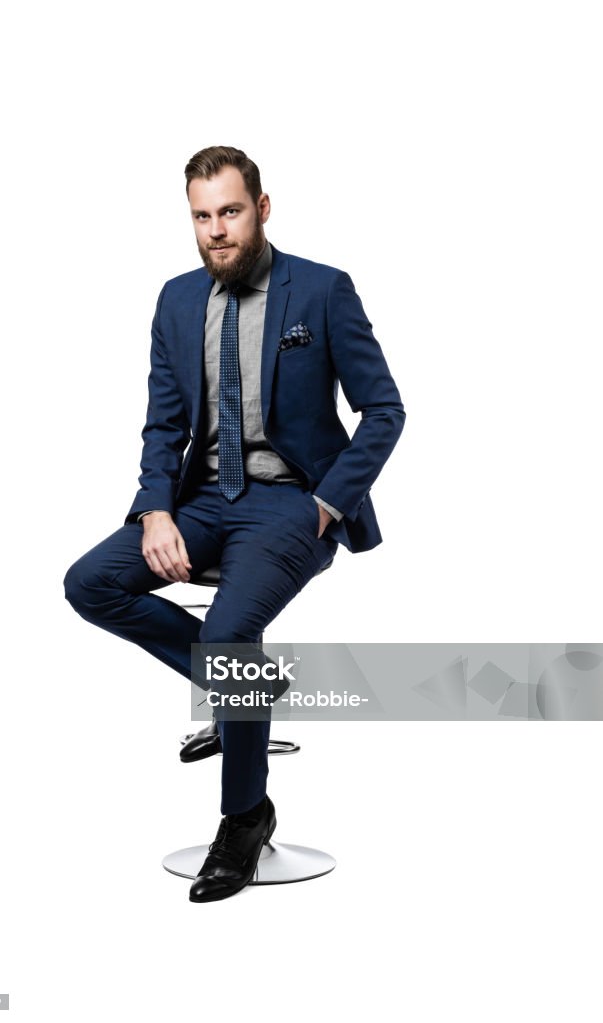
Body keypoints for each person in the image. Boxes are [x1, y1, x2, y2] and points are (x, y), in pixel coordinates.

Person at [63, 145, 406, 903]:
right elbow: (162, 424)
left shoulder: (319, 290)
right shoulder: (177, 299)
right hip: (200, 503)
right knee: (88, 583)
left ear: (261, 208)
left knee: (226, 638)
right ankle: (240, 691)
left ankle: (244, 816)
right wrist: (156, 510)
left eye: (230, 211)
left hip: (291, 503)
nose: (216, 229)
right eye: (201, 215)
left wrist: (327, 503)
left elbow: (383, 409)